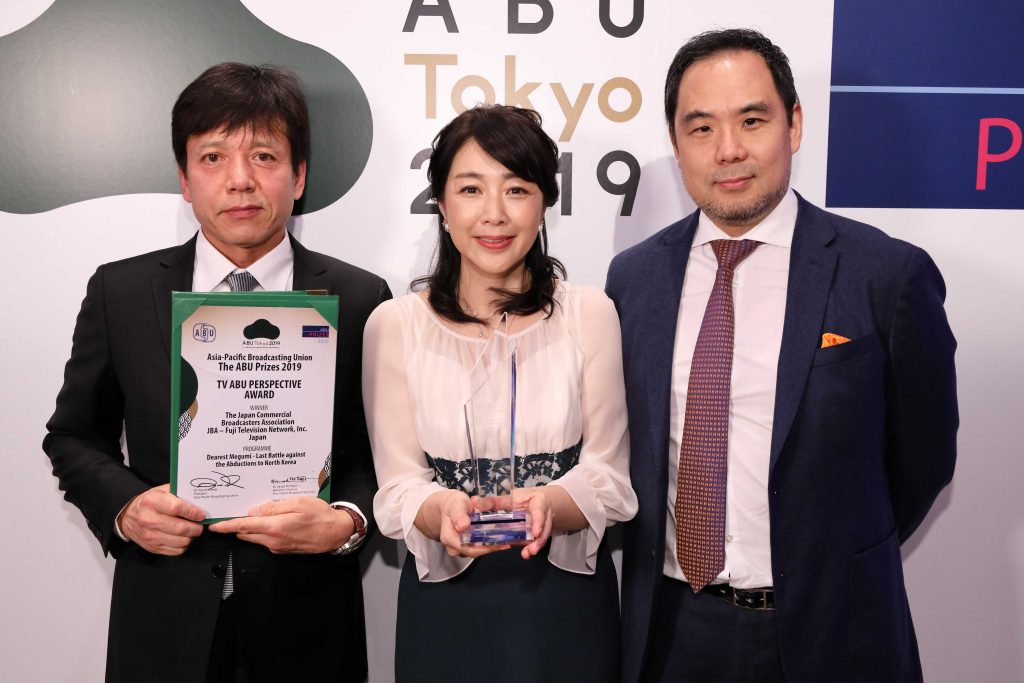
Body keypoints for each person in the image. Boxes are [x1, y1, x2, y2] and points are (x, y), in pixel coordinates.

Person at [607, 29, 958, 683]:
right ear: (676, 142)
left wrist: (834, 557)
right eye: (702, 127)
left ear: (794, 124)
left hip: (837, 632)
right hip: (673, 636)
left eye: (752, 119)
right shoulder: (633, 279)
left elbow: (922, 462)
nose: (729, 150)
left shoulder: (886, 275)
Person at [43, 63, 390, 683]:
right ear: (183, 177)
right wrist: (126, 509)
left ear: (299, 175)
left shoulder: (362, 298)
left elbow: (379, 454)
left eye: (264, 155)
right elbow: (73, 436)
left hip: (309, 629)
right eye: (212, 157)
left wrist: (348, 522)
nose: (240, 180)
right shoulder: (120, 292)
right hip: (163, 624)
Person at [363, 104, 638, 682]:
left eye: (516, 189)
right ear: (441, 205)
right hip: (446, 602)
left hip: (563, 595)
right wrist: (441, 512)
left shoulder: (589, 313)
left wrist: (549, 509)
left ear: (543, 205)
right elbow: (396, 488)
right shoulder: (394, 324)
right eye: (470, 189)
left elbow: (609, 476)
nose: (494, 214)